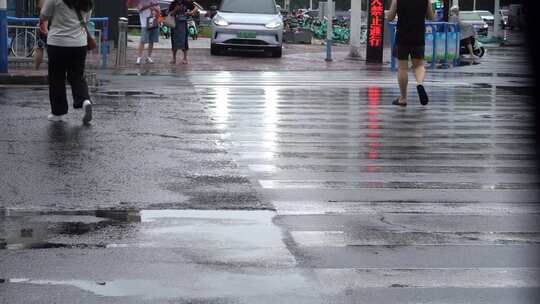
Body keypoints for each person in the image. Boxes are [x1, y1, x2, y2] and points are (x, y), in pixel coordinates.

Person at [40, 0, 93, 124]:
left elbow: (43, 15)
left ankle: (58, 113)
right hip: (79, 43)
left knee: (56, 78)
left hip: (57, 43)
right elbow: (87, 19)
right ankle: (84, 101)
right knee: (77, 76)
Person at [387, 0, 435, 107]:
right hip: (418, 36)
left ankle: (403, 98)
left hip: (402, 37)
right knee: (419, 65)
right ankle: (419, 84)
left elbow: (390, 17)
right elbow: (431, 17)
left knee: (402, 68)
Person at [168, 0, 197, 64]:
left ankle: (185, 58)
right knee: (174, 41)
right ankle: (174, 58)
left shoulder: (186, 2)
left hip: (183, 24)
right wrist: (175, 9)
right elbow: (170, 14)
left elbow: (195, 8)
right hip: (175, 25)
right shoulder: (173, 3)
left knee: (184, 41)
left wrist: (191, 12)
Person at [136, 0, 160, 64]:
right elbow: (140, 9)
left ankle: (149, 57)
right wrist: (149, 5)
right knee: (143, 40)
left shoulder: (155, 1)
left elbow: (159, 11)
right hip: (144, 23)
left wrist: (154, 8)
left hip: (153, 21)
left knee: (151, 40)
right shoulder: (141, 1)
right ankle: (139, 57)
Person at [35, 0, 47, 70]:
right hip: (54, 23)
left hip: (44, 21)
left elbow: (40, 6)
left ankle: (37, 67)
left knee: (40, 47)